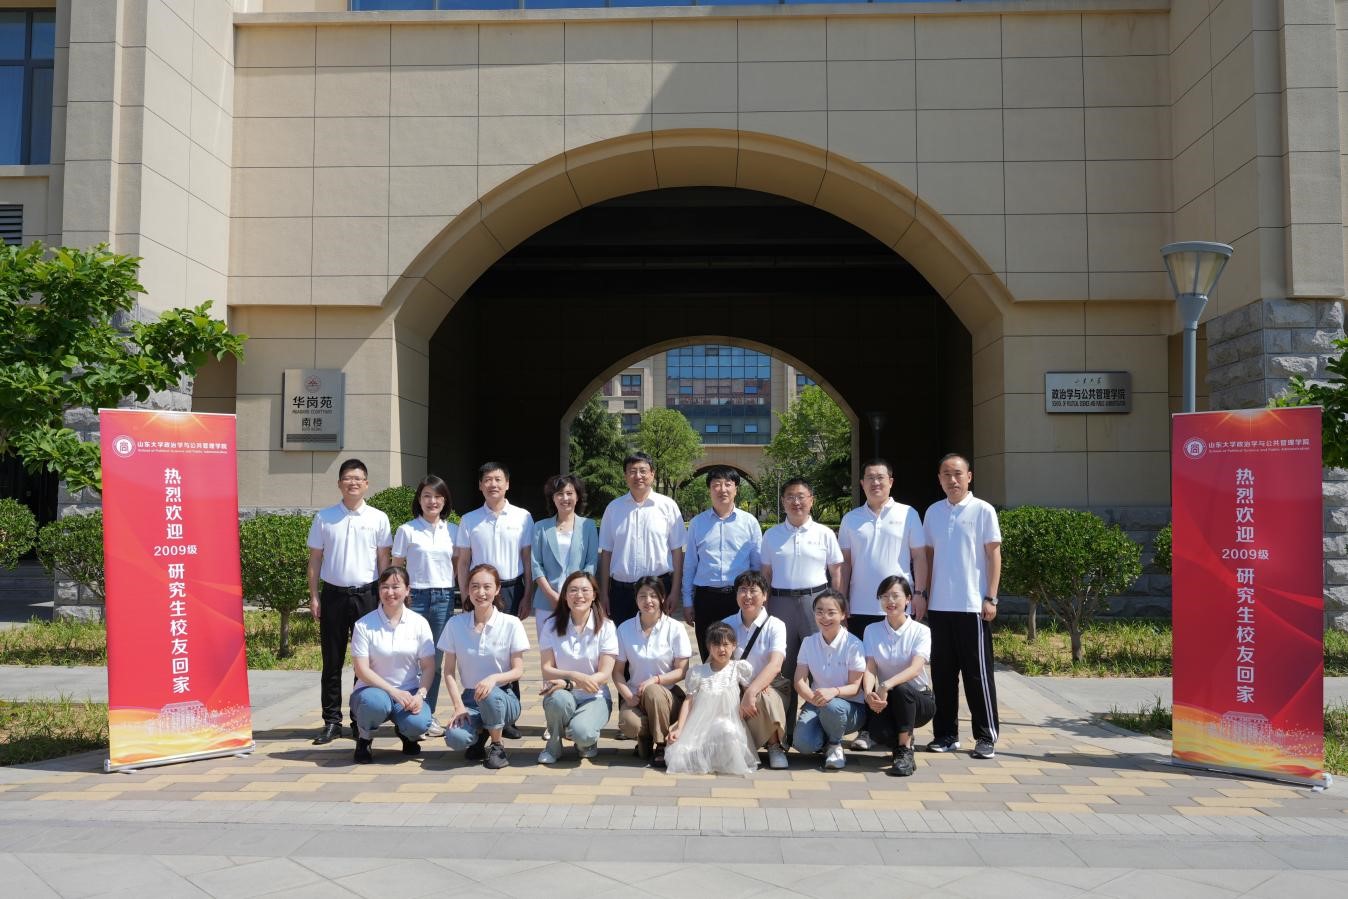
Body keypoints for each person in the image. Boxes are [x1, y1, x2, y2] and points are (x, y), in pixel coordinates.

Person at [838, 458, 928, 751]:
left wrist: (920, 593)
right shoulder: (851, 519)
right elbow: (845, 564)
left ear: (891, 481)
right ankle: (868, 730)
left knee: (897, 667)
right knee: (864, 669)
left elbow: (919, 557)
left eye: (880, 477)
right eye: (869, 478)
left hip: (897, 605)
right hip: (861, 606)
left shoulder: (908, 514)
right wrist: (842, 601)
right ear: (861, 483)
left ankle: (900, 727)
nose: (875, 483)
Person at [307, 458, 393, 745]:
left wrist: (384, 597)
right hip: (333, 595)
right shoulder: (325, 517)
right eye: (347, 478)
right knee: (331, 661)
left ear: (366, 484)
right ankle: (332, 721)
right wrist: (314, 595)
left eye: (358, 478)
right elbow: (315, 559)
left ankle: (360, 719)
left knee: (365, 662)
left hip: (367, 596)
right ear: (339, 483)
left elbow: (383, 560)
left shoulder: (378, 518)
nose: (352, 483)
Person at [923, 453, 1002, 760]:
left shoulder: (983, 510)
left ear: (969, 476)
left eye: (957, 473)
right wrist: (925, 594)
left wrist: (991, 597)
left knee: (977, 675)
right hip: (939, 606)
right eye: (946, 474)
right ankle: (945, 734)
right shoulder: (933, 512)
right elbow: (929, 557)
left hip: (973, 606)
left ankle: (986, 736)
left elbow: (993, 555)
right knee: (943, 675)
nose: (952, 479)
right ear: (939, 479)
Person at [455, 461, 533, 738]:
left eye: (498, 479)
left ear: (507, 484)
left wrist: (528, 594)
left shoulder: (523, 517)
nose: (493, 484)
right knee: (484, 648)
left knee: (509, 652)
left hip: (511, 589)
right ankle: (481, 709)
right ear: (480, 485)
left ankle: (508, 717)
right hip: (480, 592)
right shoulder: (469, 520)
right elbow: (463, 562)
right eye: (487, 480)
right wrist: (466, 595)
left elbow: (527, 559)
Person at [760, 477, 843, 727]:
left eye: (801, 496)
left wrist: (838, 607)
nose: (796, 502)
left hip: (816, 604)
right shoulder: (772, 535)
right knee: (783, 668)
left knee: (820, 665)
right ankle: (783, 732)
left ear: (811, 500)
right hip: (780, 604)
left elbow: (836, 572)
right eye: (790, 497)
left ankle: (820, 728)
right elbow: (766, 574)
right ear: (783, 501)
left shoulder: (824, 533)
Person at [440, 564, 529, 770]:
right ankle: (480, 735)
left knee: (489, 694)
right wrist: (458, 707)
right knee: (455, 738)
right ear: (467, 589)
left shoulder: (511, 623)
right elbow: (448, 672)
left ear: (497, 589)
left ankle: (497, 746)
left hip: (504, 698)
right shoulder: (455, 624)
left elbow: (518, 670)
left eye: (487, 587)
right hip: (470, 698)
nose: (481, 592)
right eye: (475, 586)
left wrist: (493, 679)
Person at [391, 474, 458, 740]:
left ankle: (427, 714)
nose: (432, 501)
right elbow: (396, 568)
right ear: (419, 500)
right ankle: (407, 713)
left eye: (438, 496)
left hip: (444, 597)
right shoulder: (407, 530)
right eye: (427, 496)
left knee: (436, 661)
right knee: (411, 658)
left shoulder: (454, 530)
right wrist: (398, 598)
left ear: (445, 500)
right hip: (414, 598)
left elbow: (459, 565)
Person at [348, 565, 435, 763]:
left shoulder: (419, 623)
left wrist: (420, 695)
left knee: (419, 723)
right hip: (372, 691)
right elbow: (361, 670)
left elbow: (429, 666)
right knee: (374, 704)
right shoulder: (364, 625)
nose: (390, 592)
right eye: (384, 587)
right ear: (378, 590)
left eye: (396, 587)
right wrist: (393, 692)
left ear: (407, 589)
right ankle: (364, 738)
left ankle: (408, 735)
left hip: (409, 691)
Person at [681, 466, 762, 660]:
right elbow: (690, 565)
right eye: (716, 485)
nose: (722, 489)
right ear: (709, 490)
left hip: (739, 598)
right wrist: (687, 602)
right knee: (709, 655)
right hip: (706, 599)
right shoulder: (697, 523)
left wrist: (757, 599)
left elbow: (757, 566)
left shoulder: (749, 522)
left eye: (728, 484)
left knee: (740, 655)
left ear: (736, 489)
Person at [538, 571, 618, 763]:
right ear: (565, 596)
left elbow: (604, 674)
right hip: (561, 694)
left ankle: (584, 740)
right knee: (557, 701)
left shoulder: (607, 627)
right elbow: (547, 669)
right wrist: (574, 676)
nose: (579, 595)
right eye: (572, 590)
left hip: (595, 696)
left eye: (585, 590)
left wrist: (569, 683)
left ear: (594, 595)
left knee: (582, 734)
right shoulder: (550, 625)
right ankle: (553, 747)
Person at [598, 452, 686, 626]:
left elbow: (677, 551)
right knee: (622, 640)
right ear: (625, 476)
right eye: (632, 471)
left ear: (652, 474)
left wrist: (675, 591)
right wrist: (604, 593)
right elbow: (606, 553)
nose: (638, 476)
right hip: (621, 593)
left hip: (658, 590)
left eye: (643, 471)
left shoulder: (668, 506)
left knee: (659, 640)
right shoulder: (613, 509)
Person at [615, 576, 692, 767]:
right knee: (628, 722)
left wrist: (655, 680)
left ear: (662, 598)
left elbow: (682, 671)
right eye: (642, 596)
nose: (648, 601)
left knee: (653, 691)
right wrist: (627, 695)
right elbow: (617, 672)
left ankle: (662, 745)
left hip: (668, 697)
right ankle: (646, 738)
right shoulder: (625, 629)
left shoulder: (675, 628)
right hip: (636, 696)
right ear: (636, 599)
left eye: (653, 596)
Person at [664, 621, 757, 777]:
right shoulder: (698, 672)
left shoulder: (738, 668)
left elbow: (749, 690)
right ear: (709, 647)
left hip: (727, 722)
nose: (721, 649)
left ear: (734, 646)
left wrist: (757, 690)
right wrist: (680, 728)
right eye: (716, 645)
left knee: (728, 732)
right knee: (680, 754)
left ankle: (719, 758)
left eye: (726, 644)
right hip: (700, 724)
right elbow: (688, 701)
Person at [863, 575, 935, 776]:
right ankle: (902, 738)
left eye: (895, 596)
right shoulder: (871, 630)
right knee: (878, 732)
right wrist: (868, 694)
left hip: (919, 700)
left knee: (902, 689)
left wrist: (886, 685)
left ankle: (905, 750)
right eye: (884, 596)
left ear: (908, 599)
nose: (890, 601)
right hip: (888, 701)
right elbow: (870, 668)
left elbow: (916, 668)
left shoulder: (921, 631)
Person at [722, 569, 791, 769]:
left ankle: (775, 745)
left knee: (764, 697)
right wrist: (743, 688)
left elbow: (775, 665)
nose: (747, 596)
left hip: (771, 685)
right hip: (735, 685)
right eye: (742, 590)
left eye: (753, 591)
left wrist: (752, 691)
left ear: (765, 596)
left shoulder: (776, 625)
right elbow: (719, 662)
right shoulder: (727, 624)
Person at [790, 589, 866, 770]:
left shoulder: (854, 644)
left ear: (843, 615)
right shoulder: (808, 642)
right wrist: (814, 699)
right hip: (816, 702)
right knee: (803, 744)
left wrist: (833, 692)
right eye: (819, 612)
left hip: (849, 707)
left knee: (832, 707)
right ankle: (826, 736)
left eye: (831, 613)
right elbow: (799, 681)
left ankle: (835, 745)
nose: (825, 617)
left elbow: (855, 687)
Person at [531, 474, 600, 624]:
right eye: (559, 494)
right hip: (547, 601)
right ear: (553, 498)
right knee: (547, 639)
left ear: (577, 497)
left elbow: (591, 563)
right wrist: (551, 595)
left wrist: (577, 592)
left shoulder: (588, 526)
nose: (565, 498)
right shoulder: (540, 527)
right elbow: (536, 565)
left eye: (569, 493)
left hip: (579, 600)